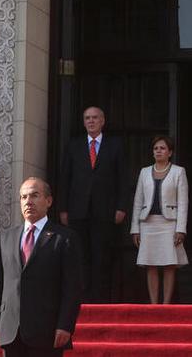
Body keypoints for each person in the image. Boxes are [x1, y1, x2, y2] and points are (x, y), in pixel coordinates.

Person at [0, 177, 83, 357]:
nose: (28, 201)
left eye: (34, 195)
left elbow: (72, 288)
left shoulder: (64, 238)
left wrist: (65, 325)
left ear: (48, 201)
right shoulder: (5, 237)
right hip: (11, 331)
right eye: (23, 197)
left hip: (47, 330)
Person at [58, 106, 129, 302]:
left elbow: (122, 178)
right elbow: (65, 178)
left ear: (103, 120)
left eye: (95, 118)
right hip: (78, 211)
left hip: (105, 212)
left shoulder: (115, 145)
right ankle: (81, 299)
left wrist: (122, 207)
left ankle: (100, 301)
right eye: (87, 118)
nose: (91, 121)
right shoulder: (74, 145)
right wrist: (63, 208)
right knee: (80, 257)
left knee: (102, 257)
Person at [130, 136, 189, 304]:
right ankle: (154, 304)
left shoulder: (179, 172)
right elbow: (138, 201)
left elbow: (183, 202)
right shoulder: (144, 172)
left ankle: (166, 304)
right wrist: (135, 228)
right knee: (151, 264)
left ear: (170, 152)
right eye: (156, 148)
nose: (159, 151)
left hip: (169, 223)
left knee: (169, 264)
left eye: (162, 148)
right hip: (148, 223)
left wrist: (181, 228)